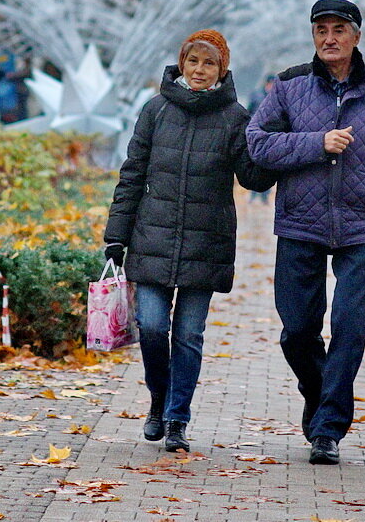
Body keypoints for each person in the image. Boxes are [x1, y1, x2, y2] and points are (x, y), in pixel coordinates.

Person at [246, 0, 365, 466]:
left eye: (338, 29)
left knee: (348, 327)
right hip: (300, 223)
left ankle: (328, 430)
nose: (329, 38)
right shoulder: (288, 86)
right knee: (297, 330)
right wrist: (315, 144)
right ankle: (319, 392)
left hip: (363, 227)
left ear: (356, 36)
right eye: (320, 29)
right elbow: (257, 143)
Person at [104, 30, 275, 454]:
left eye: (209, 63)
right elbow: (132, 175)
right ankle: (158, 402)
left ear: (222, 69)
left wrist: (272, 140)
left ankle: (177, 418)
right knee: (153, 327)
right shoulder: (155, 111)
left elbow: (252, 178)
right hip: (152, 238)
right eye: (193, 61)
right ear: (182, 63)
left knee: (188, 335)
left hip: (206, 243)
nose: (200, 70)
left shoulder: (235, 117)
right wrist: (115, 237)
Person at [246, 74, 278, 204]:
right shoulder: (256, 96)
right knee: (254, 165)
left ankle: (265, 197)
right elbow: (248, 112)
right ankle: (253, 195)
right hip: (256, 136)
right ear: (267, 84)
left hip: (270, 137)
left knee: (268, 167)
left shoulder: (278, 98)